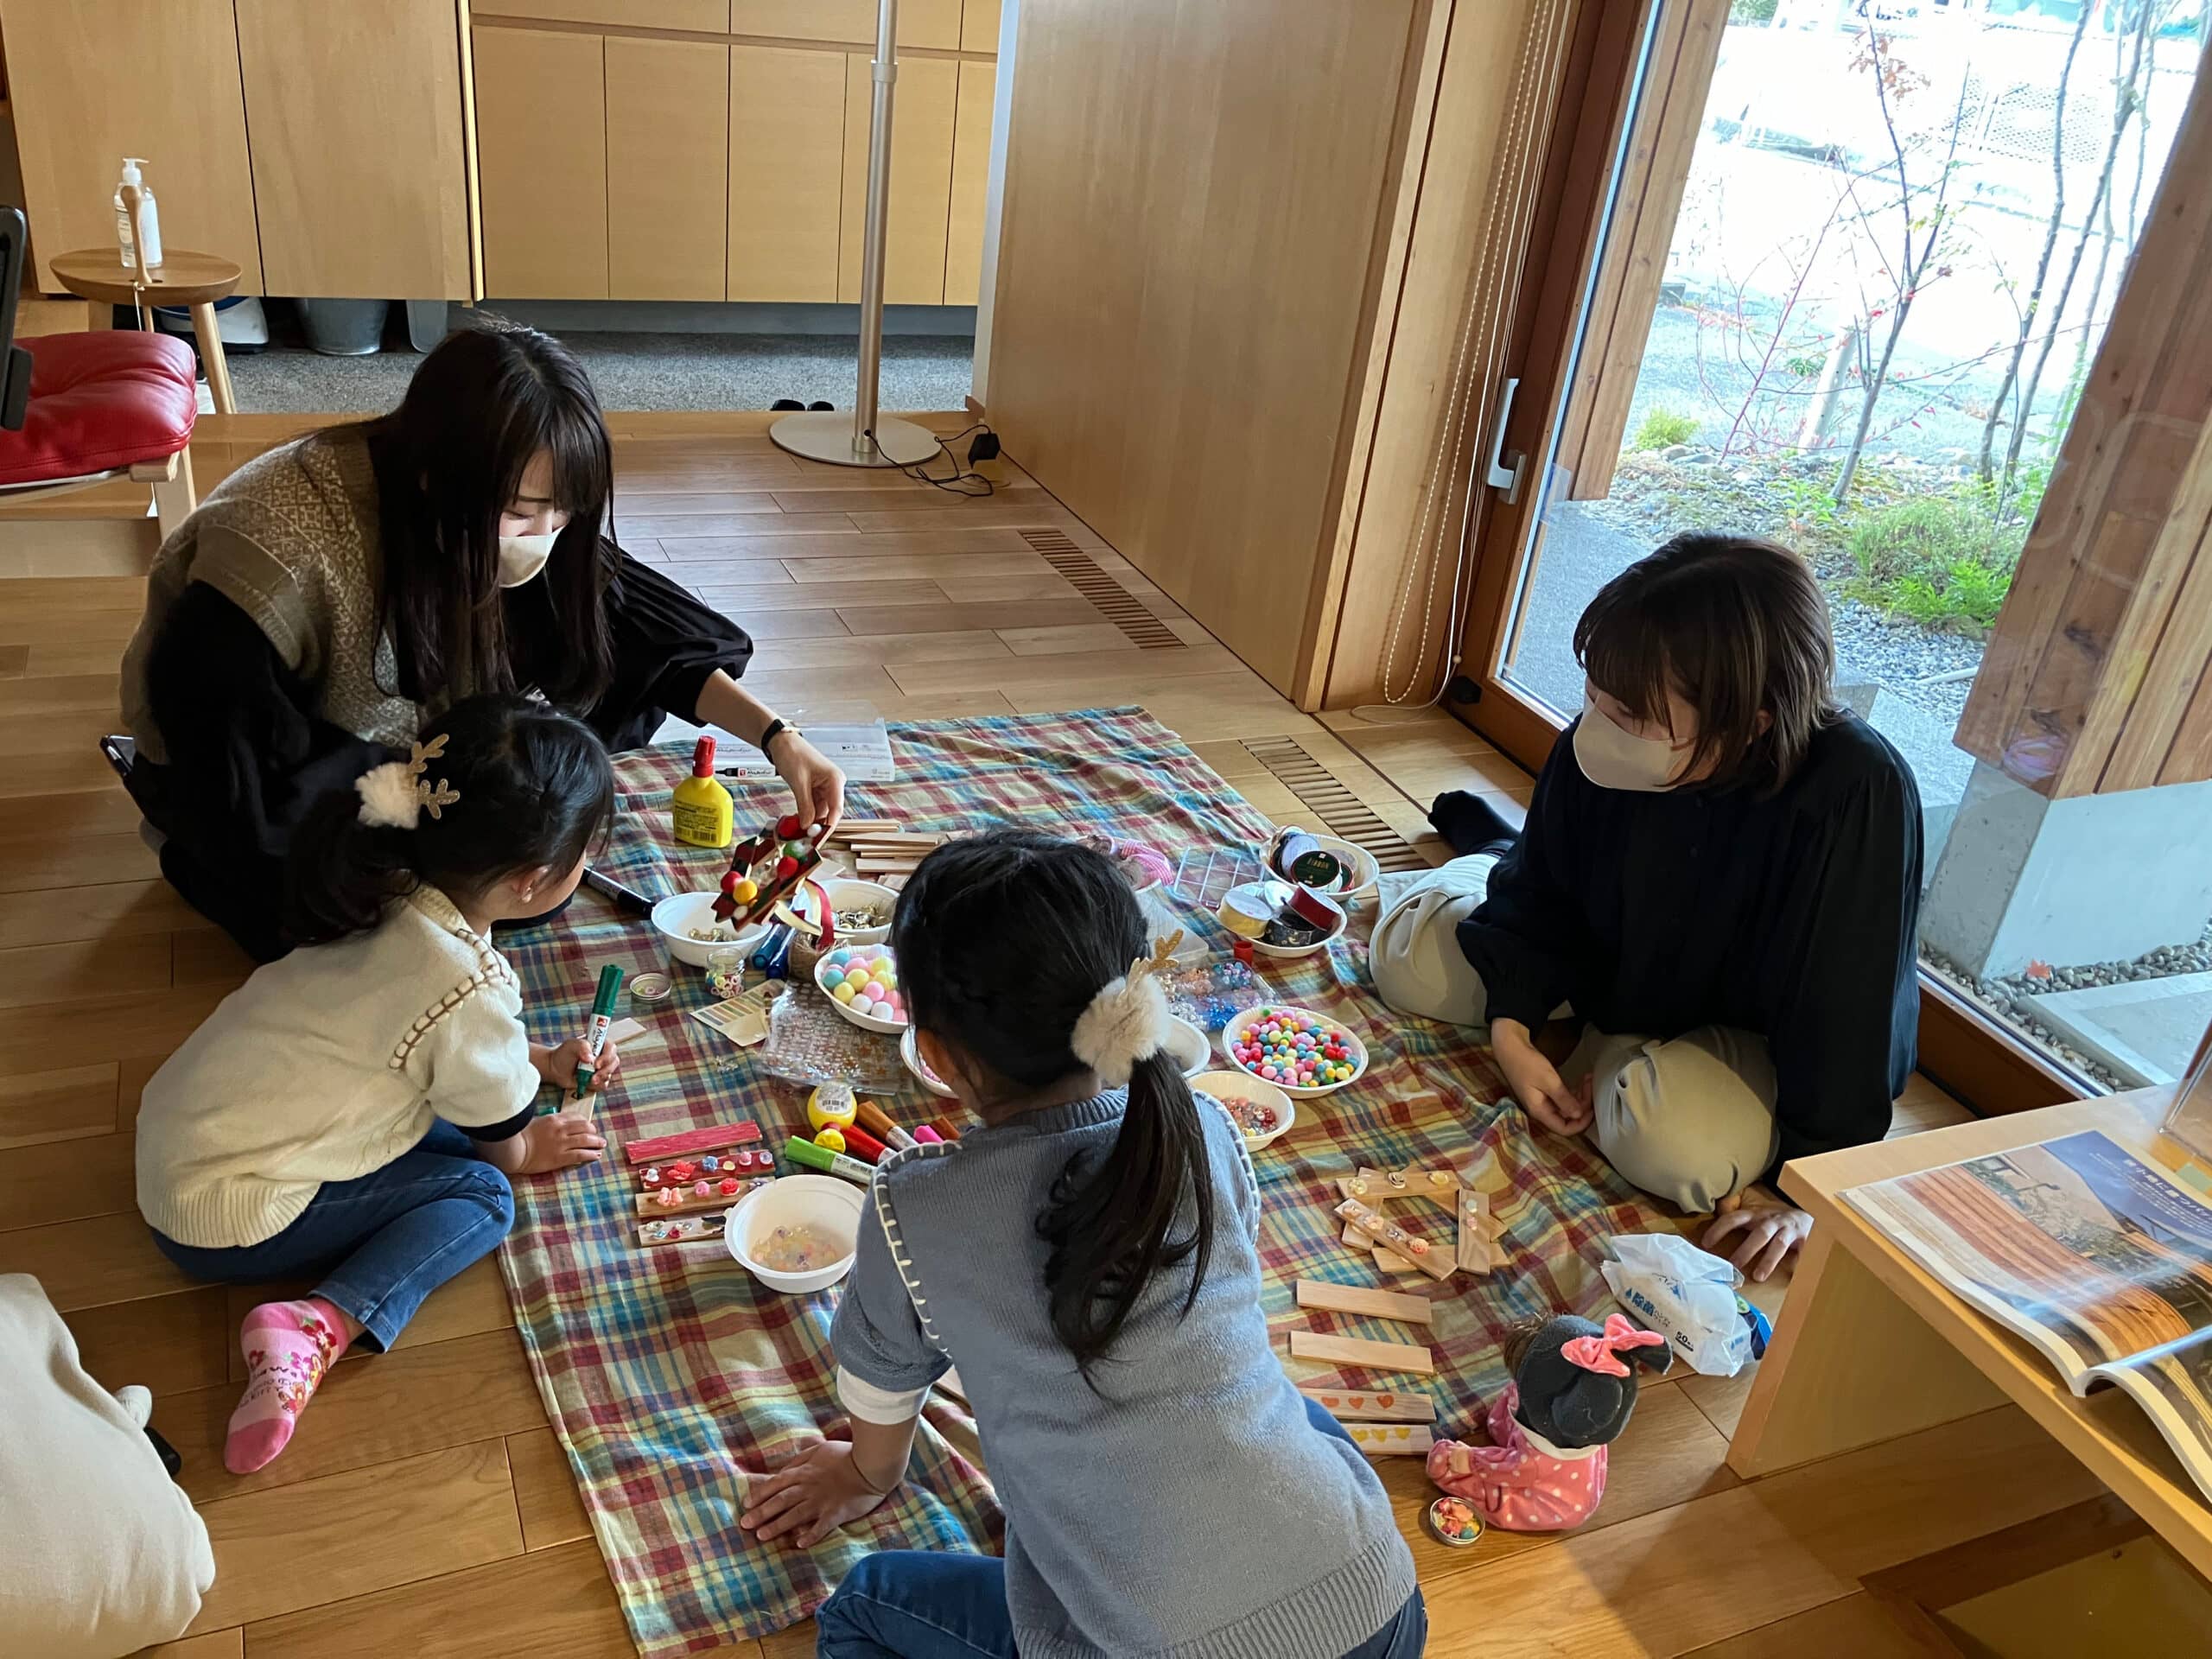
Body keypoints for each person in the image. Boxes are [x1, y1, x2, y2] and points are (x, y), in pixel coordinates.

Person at [738, 830, 1426, 1659]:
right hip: (1380, 1606)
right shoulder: (1204, 1123)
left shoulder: (911, 1204)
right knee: (1293, 1414)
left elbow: (881, 1383)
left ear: (936, 1054)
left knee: (863, 1603)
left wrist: (864, 1474)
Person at [118, 321, 844, 962]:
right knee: (341, 931)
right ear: (437, 480)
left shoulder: (501, 516)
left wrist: (778, 738)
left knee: (527, 872)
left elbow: (633, 634)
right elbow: (232, 769)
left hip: (395, 741)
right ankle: (191, 863)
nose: (546, 536)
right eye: (524, 513)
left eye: (564, 513)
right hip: (263, 761)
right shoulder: (283, 552)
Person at [134, 695, 619, 1475]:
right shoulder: (467, 984)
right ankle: (321, 1324)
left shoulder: (382, 882)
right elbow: (501, 1143)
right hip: (223, 1212)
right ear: (533, 881)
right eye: (587, 851)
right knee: (485, 1195)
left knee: (443, 1125)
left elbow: (423, 1040)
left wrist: (536, 1060)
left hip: (180, 1141)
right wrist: (531, 1147)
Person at [1419, 532, 1921, 1281]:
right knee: (1414, 968)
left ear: (1748, 721)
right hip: (1607, 962)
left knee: (1677, 1150)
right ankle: (1488, 863)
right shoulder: (1614, 731)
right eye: (1595, 695)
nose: (1597, 722)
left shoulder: (1855, 791)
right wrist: (1512, 1028)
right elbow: (1544, 888)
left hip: (1743, 1028)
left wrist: (1808, 1188)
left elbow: (1849, 1005)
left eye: (1629, 712)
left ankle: (1607, 1046)